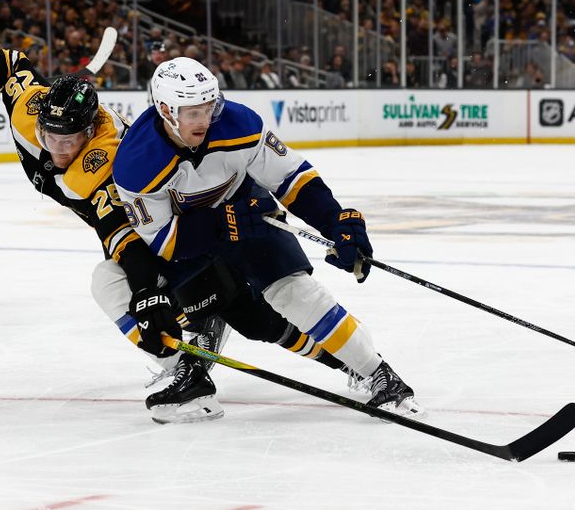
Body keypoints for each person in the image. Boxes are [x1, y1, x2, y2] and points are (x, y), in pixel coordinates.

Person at [0, 49, 347, 424]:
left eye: (70, 140)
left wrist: (146, 288)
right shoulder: (32, 110)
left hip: (172, 219)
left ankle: (341, 359)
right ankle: (190, 365)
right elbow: (9, 64)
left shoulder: (107, 162)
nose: (57, 149)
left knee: (239, 311)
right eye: (50, 136)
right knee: (173, 302)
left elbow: (125, 232)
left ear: (89, 134)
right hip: (137, 221)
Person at [111, 57, 423, 417]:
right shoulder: (136, 162)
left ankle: (378, 373)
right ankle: (189, 363)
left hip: (244, 209)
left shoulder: (238, 123)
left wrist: (334, 220)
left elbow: (291, 177)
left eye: (210, 107)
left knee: (295, 293)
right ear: (166, 110)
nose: (205, 120)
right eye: (193, 112)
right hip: (189, 241)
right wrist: (221, 225)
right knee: (119, 286)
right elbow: (163, 241)